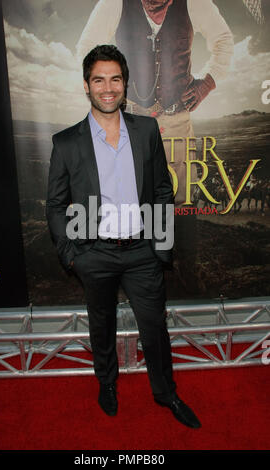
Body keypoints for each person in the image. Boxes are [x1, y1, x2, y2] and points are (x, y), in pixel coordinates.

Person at [46, 44, 201, 428]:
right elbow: (54, 205)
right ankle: (107, 385)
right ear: (87, 85)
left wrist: (162, 246)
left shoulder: (146, 129)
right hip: (93, 252)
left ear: (125, 84)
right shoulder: (66, 143)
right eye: (99, 79)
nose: (108, 87)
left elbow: (163, 190)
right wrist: (71, 254)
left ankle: (166, 394)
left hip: (142, 252)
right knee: (102, 325)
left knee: (155, 328)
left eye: (115, 78)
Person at [76, 0, 234, 295]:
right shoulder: (114, 3)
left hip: (177, 118)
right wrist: (110, 92)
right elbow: (87, 47)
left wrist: (207, 83)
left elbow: (223, 39)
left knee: (183, 200)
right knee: (131, 199)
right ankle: (139, 277)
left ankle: (187, 273)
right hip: (131, 119)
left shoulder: (195, 2)